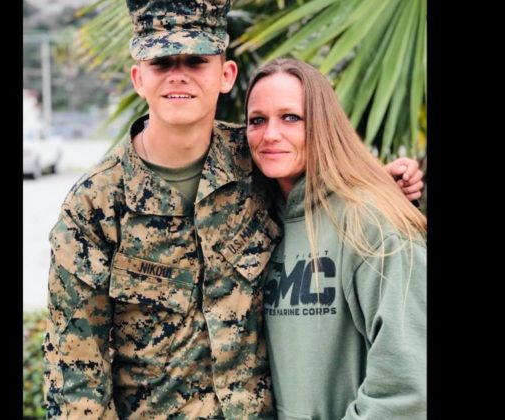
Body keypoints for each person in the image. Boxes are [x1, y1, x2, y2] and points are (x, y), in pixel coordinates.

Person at [42, 0, 424, 417]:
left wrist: (383, 184)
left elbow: (323, 173)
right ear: (138, 78)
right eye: (161, 61)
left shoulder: (257, 158)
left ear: (226, 75)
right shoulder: (94, 205)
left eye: (196, 60)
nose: (178, 74)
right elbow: (75, 381)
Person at [245, 57, 427, 420]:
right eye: (257, 120)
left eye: (291, 117)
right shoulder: (257, 222)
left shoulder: (372, 222)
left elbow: (408, 389)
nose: (270, 134)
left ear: (323, 124)